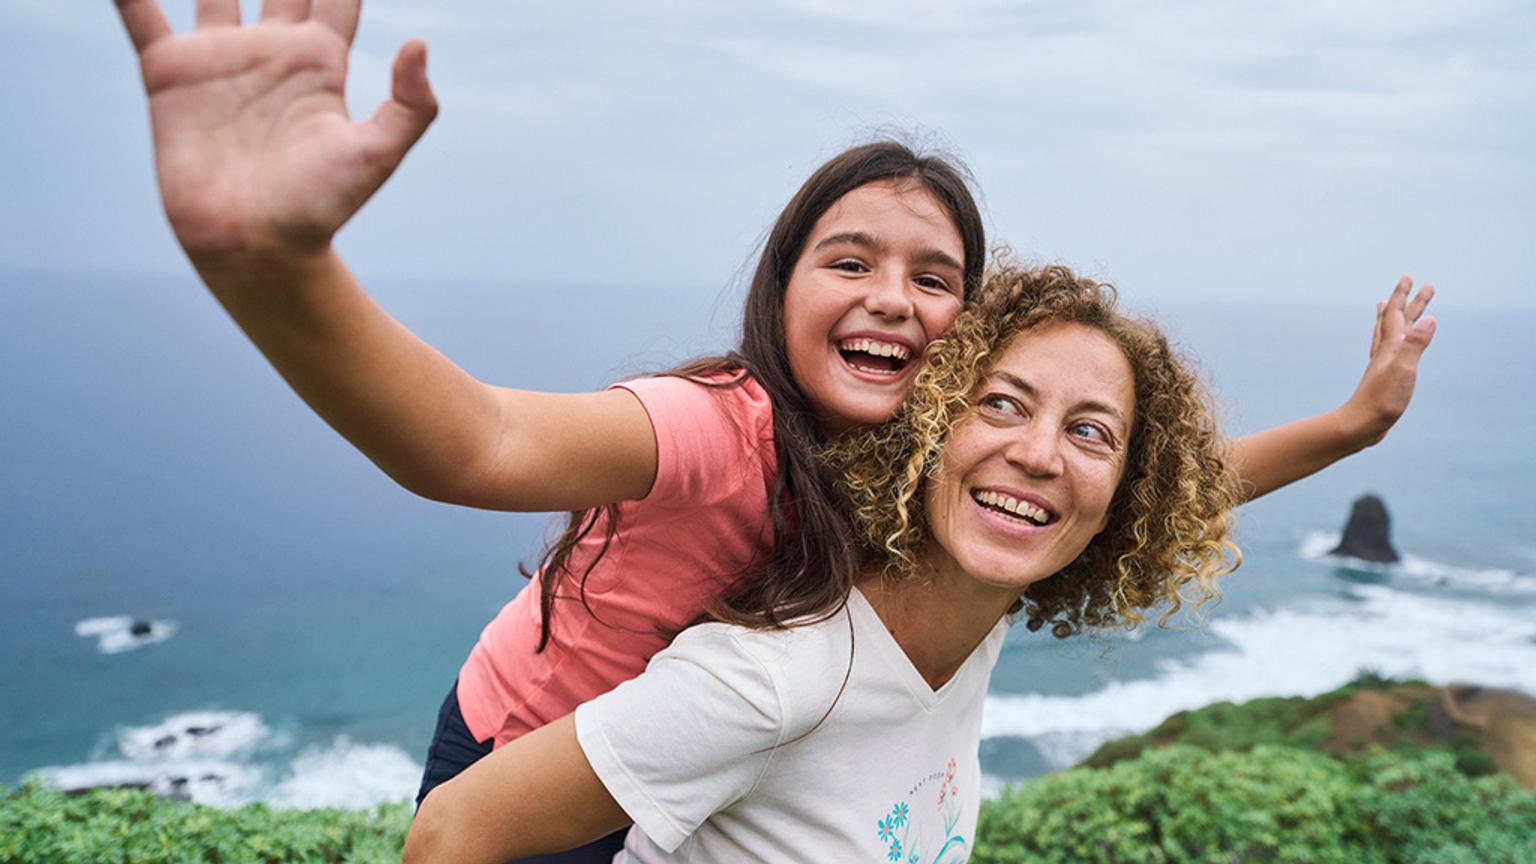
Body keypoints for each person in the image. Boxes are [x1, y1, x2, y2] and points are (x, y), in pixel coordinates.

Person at [110, 3, 1437, 861]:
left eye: (935, 279)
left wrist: (1351, 428)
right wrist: (274, 271)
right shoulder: (714, 427)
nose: (890, 298)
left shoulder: (936, 474)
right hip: (532, 745)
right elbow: (475, 447)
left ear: (968, 337)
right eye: (847, 259)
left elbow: (1136, 493)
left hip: (683, 753)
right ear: (779, 288)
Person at [403, 263, 1247, 862]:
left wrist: (1355, 425)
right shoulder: (779, 677)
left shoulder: (975, 615)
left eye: (1089, 432)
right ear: (931, 428)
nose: (1038, 455)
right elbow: (451, 836)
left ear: (1128, 502)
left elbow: (1195, 488)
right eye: (1000, 404)